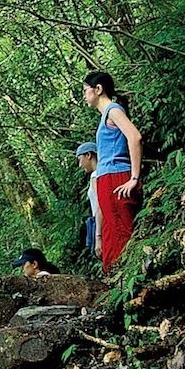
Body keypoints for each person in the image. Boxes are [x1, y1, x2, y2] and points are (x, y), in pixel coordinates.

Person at [82, 71, 143, 273]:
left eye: (85, 90)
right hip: (107, 178)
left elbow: (135, 137)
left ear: (98, 89)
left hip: (116, 177)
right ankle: (113, 279)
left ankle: (128, 277)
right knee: (110, 232)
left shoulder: (113, 110)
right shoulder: (106, 115)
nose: (84, 95)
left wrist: (134, 177)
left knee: (120, 231)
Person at [76, 141, 101, 257]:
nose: (80, 165)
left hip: (101, 222)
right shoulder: (102, 172)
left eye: (80, 159)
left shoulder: (95, 176)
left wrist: (98, 236)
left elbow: (100, 205)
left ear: (88, 155)